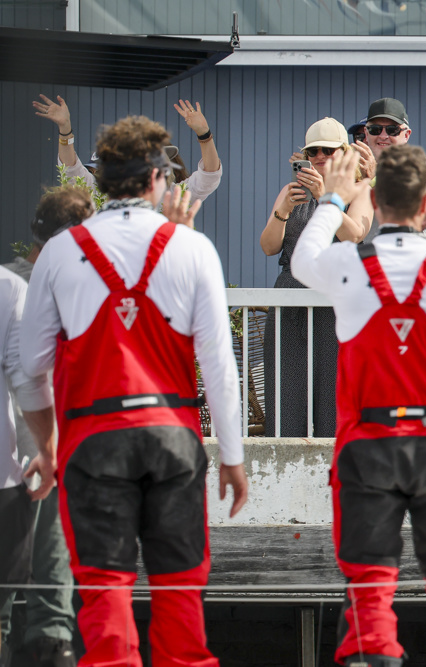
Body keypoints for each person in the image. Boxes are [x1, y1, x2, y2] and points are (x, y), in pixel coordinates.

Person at [19, 115, 248, 666]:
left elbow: (31, 367)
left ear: (101, 182)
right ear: (156, 181)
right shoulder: (191, 249)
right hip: (173, 438)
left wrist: (46, 449)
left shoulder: (59, 252)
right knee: (179, 593)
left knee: (103, 597)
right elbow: (218, 365)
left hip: (92, 440)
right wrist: (232, 458)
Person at [291, 145, 426, 667]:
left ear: (377, 201)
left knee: (368, 589)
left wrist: (335, 198)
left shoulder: (346, 266)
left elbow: (300, 260)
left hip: (369, 447)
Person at [0, 186, 92, 667]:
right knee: (48, 603)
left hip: (20, 459)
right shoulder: (41, 290)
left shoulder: (13, 280)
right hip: (41, 452)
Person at [261, 117, 374, 437]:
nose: (321, 157)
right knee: (286, 401)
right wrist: (283, 208)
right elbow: (268, 247)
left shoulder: (360, 189)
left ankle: (336, 479)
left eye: (328, 150)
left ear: (344, 153)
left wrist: (328, 197)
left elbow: (355, 235)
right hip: (290, 300)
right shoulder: (291, 191)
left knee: (333, 402)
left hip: (335, 306)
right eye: (313, 152)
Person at [33, 94, 224, 204]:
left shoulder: (169, 198)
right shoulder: (99, 194)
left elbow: (208, 178)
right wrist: (65, 130)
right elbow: (71, 171)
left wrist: (204, 135)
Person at [361, 98, 426, 242]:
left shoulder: (424, 168)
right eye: (375, 129)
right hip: (370, 260)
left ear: (406, 135)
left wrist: (376, 179)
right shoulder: (355, 168)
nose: (383, 136)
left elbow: (422, 219)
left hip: (415, 260)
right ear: (366, 133)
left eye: (392, 130)